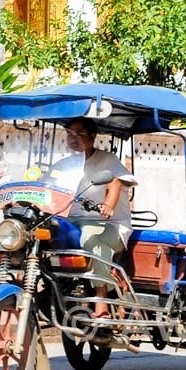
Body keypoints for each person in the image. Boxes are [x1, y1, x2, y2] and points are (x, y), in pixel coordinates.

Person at [49, 117, 135, 320]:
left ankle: (101, 299)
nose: (73, 138)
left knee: (91, 238)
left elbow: (114, 182)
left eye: (79, 134)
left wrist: (108, 206)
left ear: (92, 136)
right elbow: (48, 186)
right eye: (70, 134)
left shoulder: (107, 159)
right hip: (72, 221)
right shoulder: (64, 165)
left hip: (109, 224)